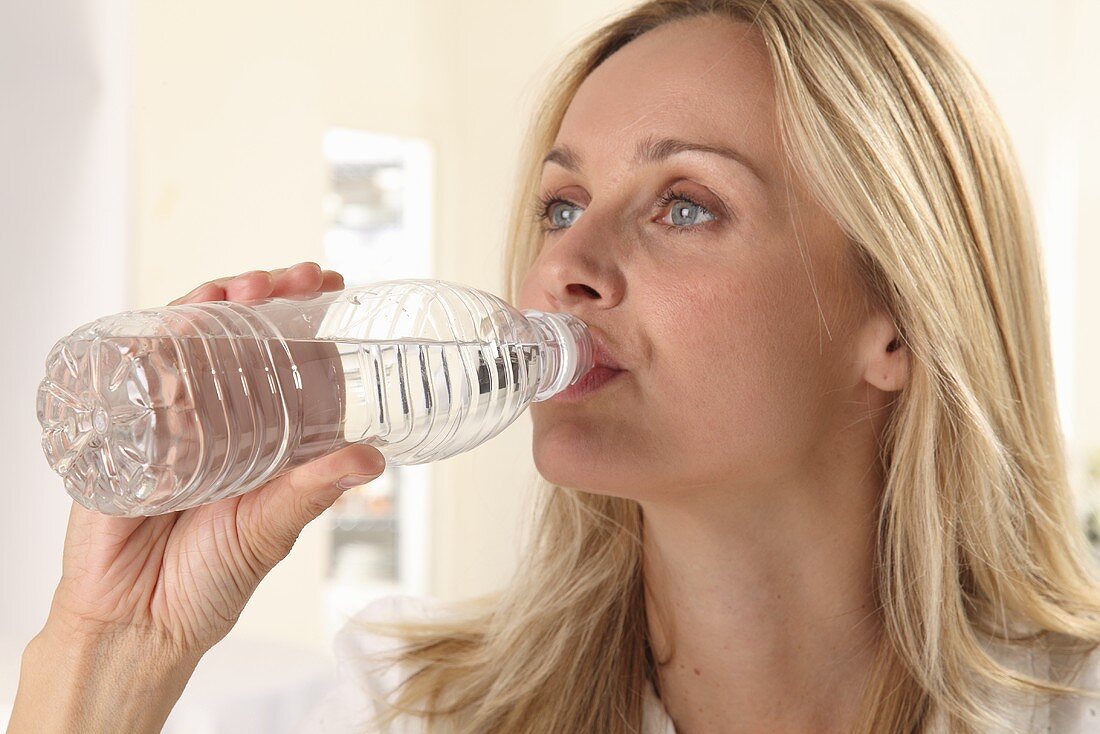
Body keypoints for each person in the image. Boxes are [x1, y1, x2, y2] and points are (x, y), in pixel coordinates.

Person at [10, 0, 1100, 732]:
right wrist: (111, 648)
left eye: (684, 204)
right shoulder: (408, 704)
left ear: (895, 320)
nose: (561, 266)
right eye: (560, 205)